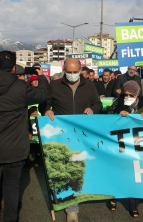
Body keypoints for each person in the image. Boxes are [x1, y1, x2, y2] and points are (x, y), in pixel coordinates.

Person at [0, 51, 48, 221]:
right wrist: (42, 77)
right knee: (11, 187)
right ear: (14, 68)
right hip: (14, 147)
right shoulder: (20, 87)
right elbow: (42, 94)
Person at [44, 58, 102, 222]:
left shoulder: (89, 85)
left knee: (83, 166)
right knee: (67, 168)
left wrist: (93, 109)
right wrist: (47, 110)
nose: (71, 75)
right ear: (64, 70)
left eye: (74, 72)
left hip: (83, 134)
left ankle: (83, 194)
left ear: (80, 70)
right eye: (68, 72)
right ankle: (72, 208)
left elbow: (98, 104)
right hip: (62, 134)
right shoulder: (55, 85)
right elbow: (46, 104)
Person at [108, 81, 143, 218]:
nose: (127, 96)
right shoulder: (117, 101)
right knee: (120, 172)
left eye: (130, 94)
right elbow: (109, 115)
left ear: (136, 94)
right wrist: (117, 114)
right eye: (125, 94)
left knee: (135, 174)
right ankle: (115, 197)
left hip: (138, 143)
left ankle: (134, 205)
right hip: (121, 142)